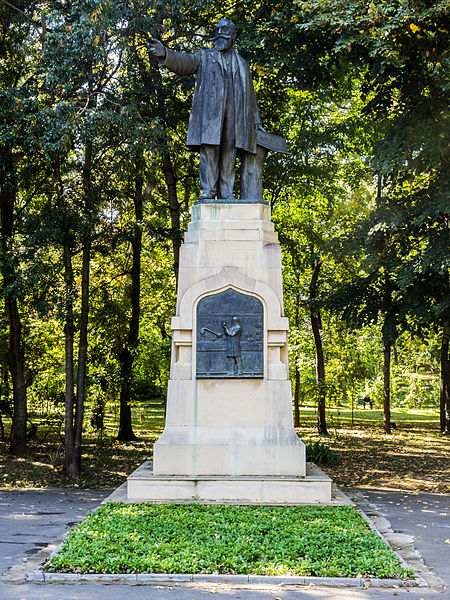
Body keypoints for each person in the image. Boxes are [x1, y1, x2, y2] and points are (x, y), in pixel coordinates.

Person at [149, 19, 263, 201]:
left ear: (233, 35)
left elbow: (251, 97)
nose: (219, 33)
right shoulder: (204, 56)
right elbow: (185, 62)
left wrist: (256, 121)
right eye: (217, 29)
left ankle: (226, 193)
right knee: (209, 149)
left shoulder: (242, 64)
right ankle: (208, 190)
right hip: (211, 113)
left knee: (230, 151)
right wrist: (166, 55)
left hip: (235, 113)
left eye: (224, 30)